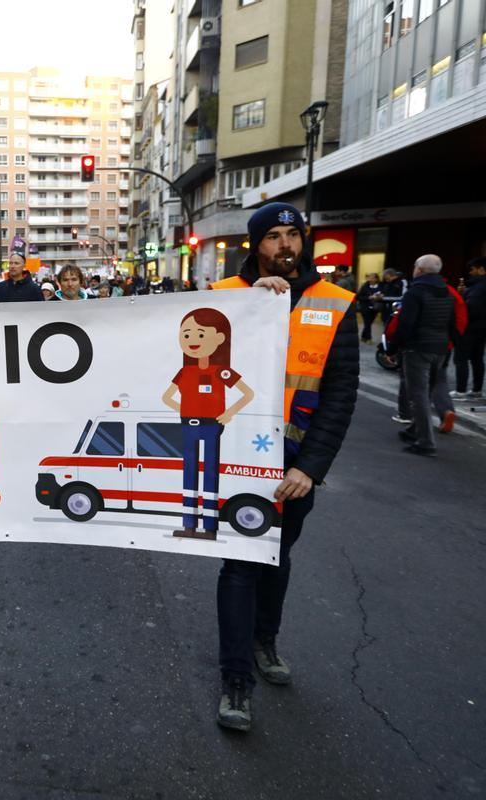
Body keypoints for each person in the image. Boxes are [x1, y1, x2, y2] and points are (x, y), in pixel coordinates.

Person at [208, 202, 358, 732]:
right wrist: (253, 306)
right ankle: (235, 679)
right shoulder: (225, 297)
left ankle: (263, 639)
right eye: (273, 236)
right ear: (255, 245)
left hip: (295, 465)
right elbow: (188, 361)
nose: (285, 245)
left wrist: (311, 469)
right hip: (238, 460)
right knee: (241, 562)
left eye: (293, 234)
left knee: (277, 559)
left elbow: (340, 395)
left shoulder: (336, 304)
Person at [161, 308, 256, 539]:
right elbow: (166, 397)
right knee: (189, 473)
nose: (192, 340)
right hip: (188, 425)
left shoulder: (221, 371)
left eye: (201, 334)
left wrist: (229, 412)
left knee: (211, 472)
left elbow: (248, 393)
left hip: (212, 425)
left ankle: (210, 527)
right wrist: (183, 410)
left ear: (220, 338)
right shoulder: (185, 371)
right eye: (187, 334)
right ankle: (189, 525)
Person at [394, 255, 459, 455]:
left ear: (419, 270)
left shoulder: (416, 292)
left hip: (418, 348)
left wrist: (394, 348)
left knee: (418, 394)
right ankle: (415, 429)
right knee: (428, 391)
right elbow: (452, 321)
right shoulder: (447, 292)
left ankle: (425, 442)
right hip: (440, 347)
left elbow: (406, 324)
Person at [452, 258, 486, 399]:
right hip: (482, 328)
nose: (470, 273)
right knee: (477, 359)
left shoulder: (479, 287)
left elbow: (471, 309)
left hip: (469, 328)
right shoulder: (477, 287)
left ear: (481, 269)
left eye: (472, 269)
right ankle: (477, 389)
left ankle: (461, 390)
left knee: (461, 358)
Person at [355, 272, 382, 343]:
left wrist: (380, 296)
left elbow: (384, 294)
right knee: (367, 322)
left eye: (372, 277)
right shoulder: (365, 286)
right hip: (365, 307)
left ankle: (363, 337)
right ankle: (369, 338)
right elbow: (358, 297)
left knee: (369, 322)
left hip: (375, 307)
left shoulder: (380, 286)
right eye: (369, 277)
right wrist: (369, 297)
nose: (370, 279)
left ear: (376, 279)